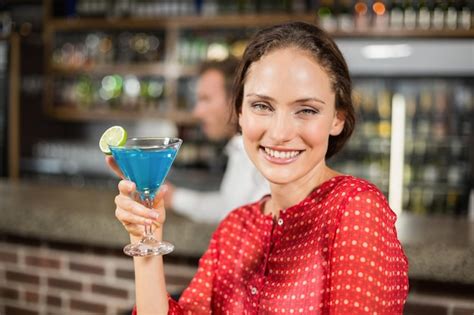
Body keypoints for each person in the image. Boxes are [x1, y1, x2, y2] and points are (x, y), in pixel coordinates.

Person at [110, 22, 409, 314]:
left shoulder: (355, 209)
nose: (279, 133)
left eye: (307, 110)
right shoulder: (235, 229)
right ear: (239, 112)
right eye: (262, 106)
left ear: (337, 118)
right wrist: (145, 240)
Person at [165, 58, 269, 223]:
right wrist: (173, 198)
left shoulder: (259, 154)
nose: (197, 112)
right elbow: (229, 207)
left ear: (237, 100)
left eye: (205, 99)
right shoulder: (239, 148)